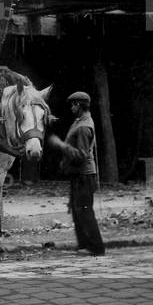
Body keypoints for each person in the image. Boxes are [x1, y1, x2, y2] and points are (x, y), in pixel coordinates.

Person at [49, 92, 105, 257]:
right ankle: (84, 246)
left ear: (79, 105)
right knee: (77, 210)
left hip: (84, 176)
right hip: (79, 175)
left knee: (85, 212)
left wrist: (60, 145)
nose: (71, 107)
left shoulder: (83, 126)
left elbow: (81, 155)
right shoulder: (80, 121)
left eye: (73, 104)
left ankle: (96, 248)